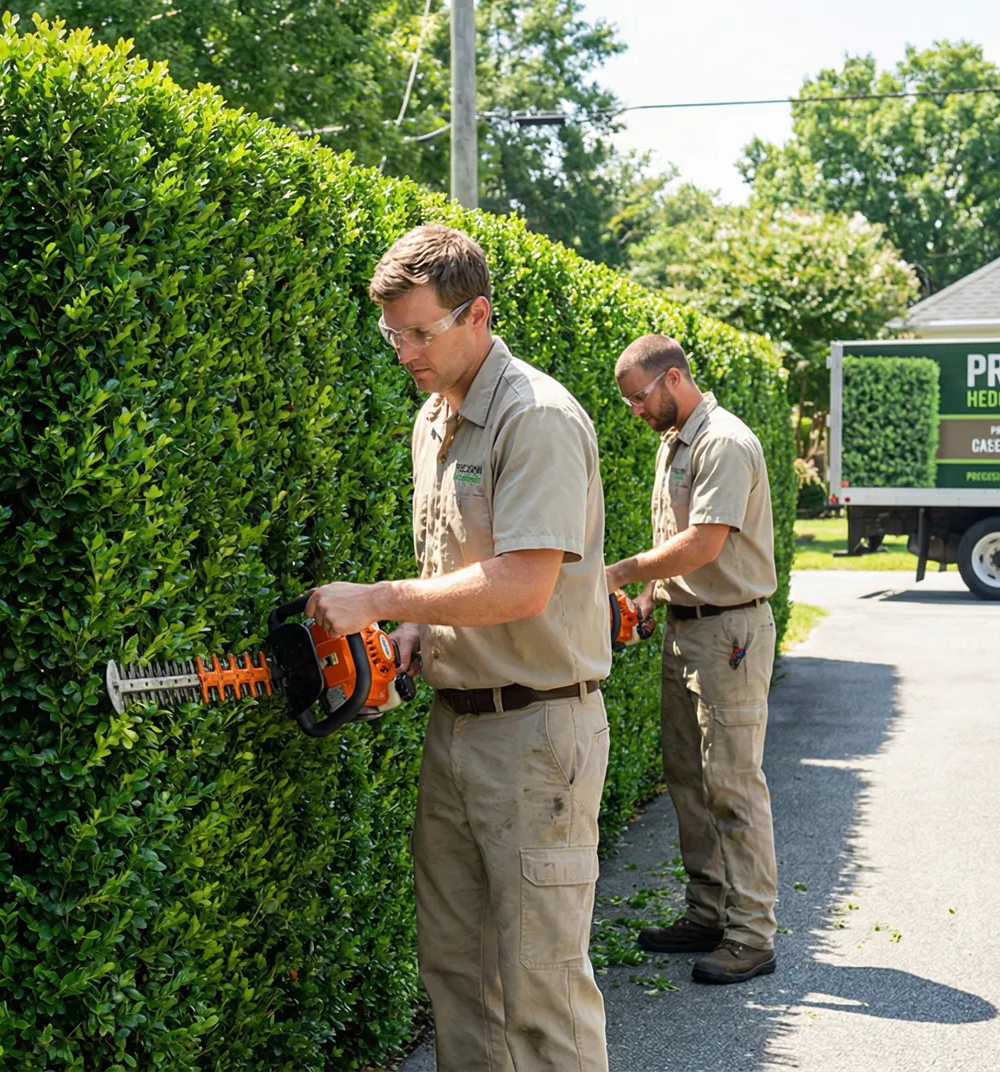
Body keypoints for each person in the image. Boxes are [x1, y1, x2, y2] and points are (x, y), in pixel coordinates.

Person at [307, 225, 610, 1071]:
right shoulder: (433, 419)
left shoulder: (536, 417)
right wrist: (415, 626)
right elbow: (463, 571)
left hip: (538, 736)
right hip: (457, 728)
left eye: (419, 332)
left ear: (475, 314)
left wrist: (378, 599)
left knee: (542, 988)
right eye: (391, 333)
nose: (403, 351)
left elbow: (522, 585)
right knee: (457, 975)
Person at [603, 333, 780, 986]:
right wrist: (650, 596)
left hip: (730, 632)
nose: (634, 411)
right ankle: (708, 913)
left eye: (638, 397)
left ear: (673, 378)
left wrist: (617, 575)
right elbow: (673, 539)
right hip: (686, 628)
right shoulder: (674, 441)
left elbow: (703, 545)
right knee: (688, 777)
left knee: (733, 783)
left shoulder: (724, 442)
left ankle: (753, 935)